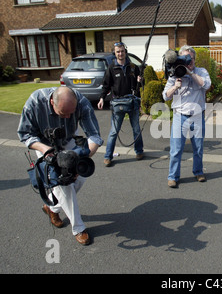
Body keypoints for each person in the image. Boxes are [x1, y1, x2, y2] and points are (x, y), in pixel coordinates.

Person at [17, 87, 103, 245]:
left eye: (72, 113)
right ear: (52, 102)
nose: (69, 117)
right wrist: (46, 151)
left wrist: (77, 161)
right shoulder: (34, 103)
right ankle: (78, 228)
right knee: (63, 184)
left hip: (68, 140)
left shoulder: (81, 103)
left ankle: (52, 207)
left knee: (80, 176)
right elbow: (25, 134)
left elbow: (95, 136)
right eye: (64, 113)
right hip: (44, 144)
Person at [162, 45, 211, 188]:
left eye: (191, 58)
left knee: (198, 148)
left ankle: (198, 171)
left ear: (194, 59)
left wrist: (190, 73)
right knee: (176, 149)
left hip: (197, 116)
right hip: (179, 116)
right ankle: (173, 176)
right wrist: (175, 86)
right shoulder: (174, 74)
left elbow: (206, 85)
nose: (189, 61)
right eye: (185, 59)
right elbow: (165, 96)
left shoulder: (201, 72)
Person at [97, 42, 144, 167]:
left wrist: (140, 81)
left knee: (136, 129)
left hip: (132, 102)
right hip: (118, 104)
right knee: (113, 131)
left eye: (122, 51)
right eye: (118, 51)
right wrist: (102, 98)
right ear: (115, 53)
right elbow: (106, 85)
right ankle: (108, 156)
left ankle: (139, 151)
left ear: (125, 51)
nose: (120, 53)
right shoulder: (111, 68)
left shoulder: (134, 67)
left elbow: (139, 85)